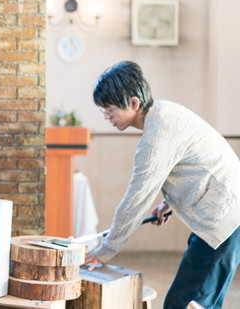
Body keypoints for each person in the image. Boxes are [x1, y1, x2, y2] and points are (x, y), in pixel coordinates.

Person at [84, 61, 240, 309]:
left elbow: (136, 200)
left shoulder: (155, 138)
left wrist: (105, 250)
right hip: (222, 218)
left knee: (182, 304)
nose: (107, 117)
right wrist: (167, 205)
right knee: (196, 303)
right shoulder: (164, 113)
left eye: (110, 110)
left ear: (133, 103)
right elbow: (192, 165)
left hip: (222, 223)